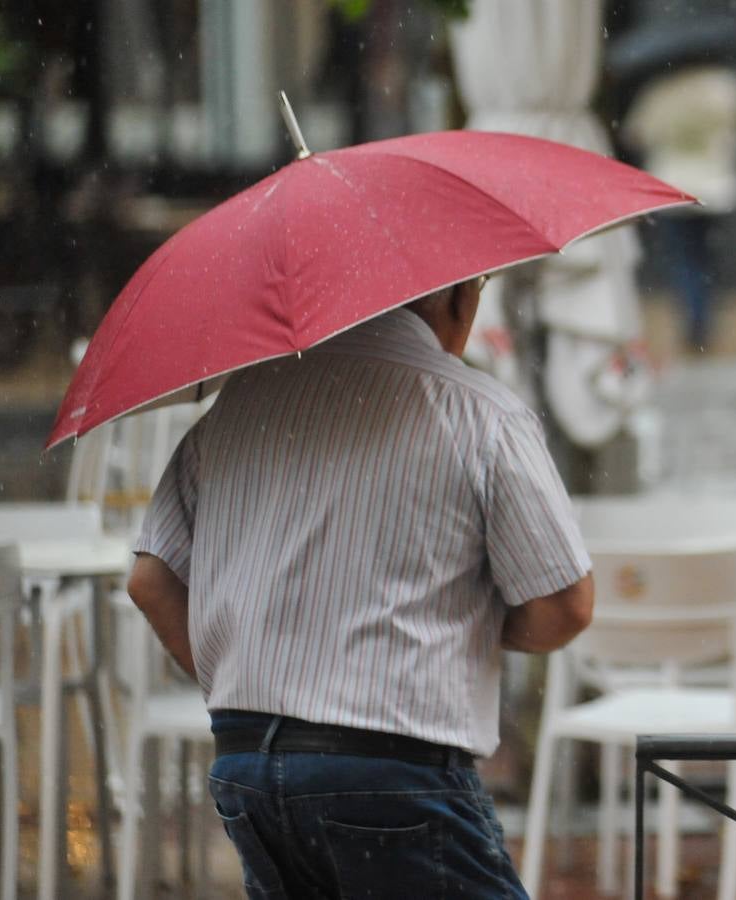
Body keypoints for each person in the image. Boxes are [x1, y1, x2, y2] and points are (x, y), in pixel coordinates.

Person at [127, 277, 595, 899]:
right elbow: (566, 605)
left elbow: (150, 579)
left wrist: (252, 687)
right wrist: (474, 620)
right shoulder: (479, 411)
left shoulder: (241, 401)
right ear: (458, 298)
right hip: (390, 769)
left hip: (248, 768)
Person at [623, 63, 736, 353]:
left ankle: (693, 319)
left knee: (684, 259)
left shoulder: (660, 90)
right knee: (705, 257)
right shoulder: (725, 85)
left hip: (673, 187)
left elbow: (637, 134)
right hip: (716, 186)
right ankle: (703, 318)